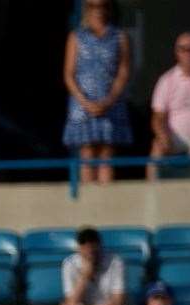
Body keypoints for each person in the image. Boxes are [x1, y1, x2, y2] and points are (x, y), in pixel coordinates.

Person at [62, 0, 132, 185]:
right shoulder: (76, 37)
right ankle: (88, 204)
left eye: (102, 6)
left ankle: (105, 203)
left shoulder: (119, 36)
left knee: (106, 153)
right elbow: (69, 74)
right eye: (93, 6)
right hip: (83, 104)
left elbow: (124, 71)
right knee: (87, 153)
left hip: (110, 103)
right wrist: (85, 102)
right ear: (86, 9)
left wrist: (109, 100)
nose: (98, 10)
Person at [59, 227, 125, 305]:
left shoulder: (115, 262)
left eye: (92, 247)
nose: (90, 251)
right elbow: (71, 302)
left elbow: (118, 299)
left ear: (99, 246)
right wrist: (85, 276)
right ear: (79, 248)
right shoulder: (69, 264)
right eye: (85, 247)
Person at [147, 32, 190, 178]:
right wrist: (164, 138)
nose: (189, 53)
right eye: (184, 49)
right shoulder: (166, 80)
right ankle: (153, 194)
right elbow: (158, 118)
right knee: (157, 148)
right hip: (177, 140)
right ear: (177, 52)